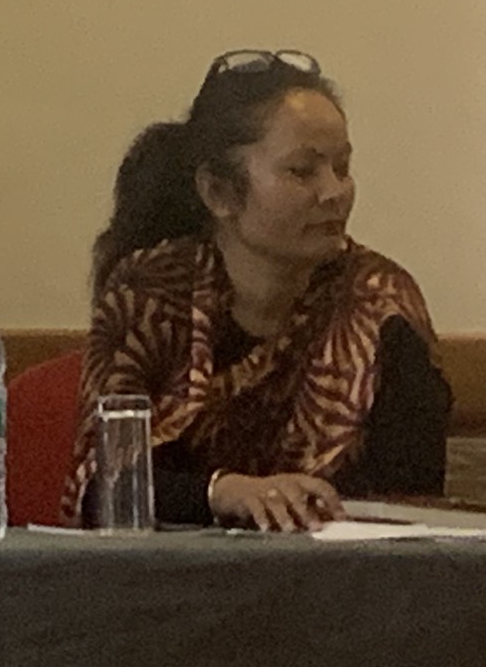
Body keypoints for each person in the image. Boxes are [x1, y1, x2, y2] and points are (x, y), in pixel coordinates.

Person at [65, 49, 452, 532]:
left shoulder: (383, 305)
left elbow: (411, 506)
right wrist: (225, 492)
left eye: (342, 167)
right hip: (172, 572)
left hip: (337, 571)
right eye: (302, 171)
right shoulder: (147, 296)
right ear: (218, 193)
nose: (335, 192)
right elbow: (102, 489)